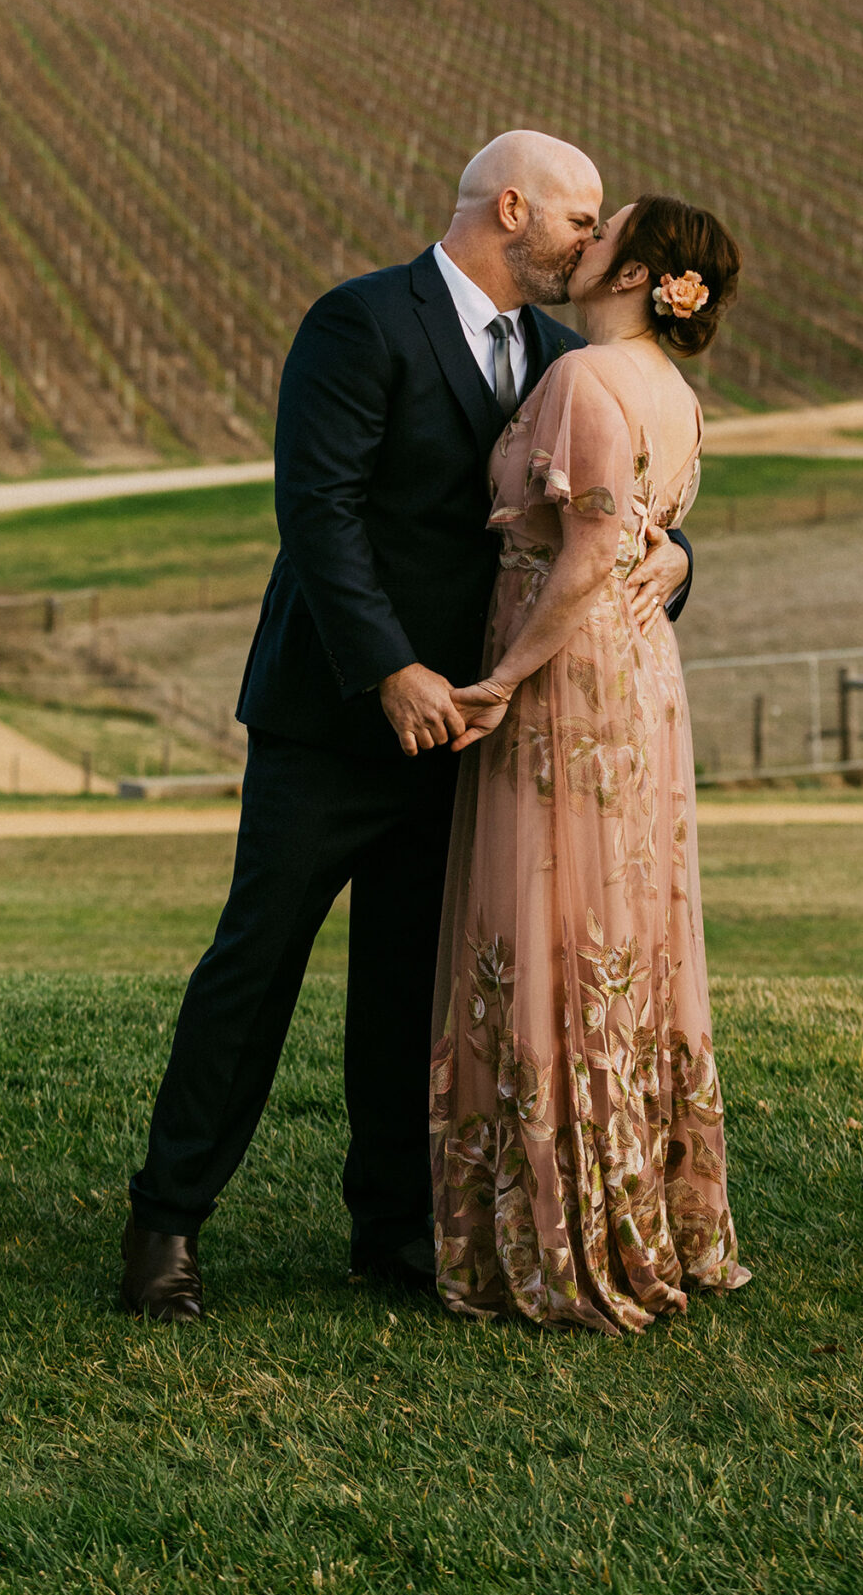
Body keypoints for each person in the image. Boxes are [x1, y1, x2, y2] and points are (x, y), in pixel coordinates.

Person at [120, 132, 692, 1321]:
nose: (594, 242)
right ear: (515, 208)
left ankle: (389, 1230)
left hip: (475, 735)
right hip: (333, 718)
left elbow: (608, 511)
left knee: (408, 989)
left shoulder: (554, 352)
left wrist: (679, 555)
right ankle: (166, 1225)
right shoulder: (360, 320)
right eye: (581, 221)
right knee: (254, 966)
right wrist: (389, 670)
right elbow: (315, 510)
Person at [430, 193, 752, 1332]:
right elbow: (645, 546)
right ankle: (641, 1203)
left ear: (635, 273)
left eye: (602, 229)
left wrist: (505, 679)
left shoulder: (582, 381)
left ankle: (557, 1225)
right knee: (623, 928)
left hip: (569, 675)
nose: (585, 239)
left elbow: (585, 558)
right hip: (644, 674)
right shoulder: (674, 393)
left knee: (555, 923)